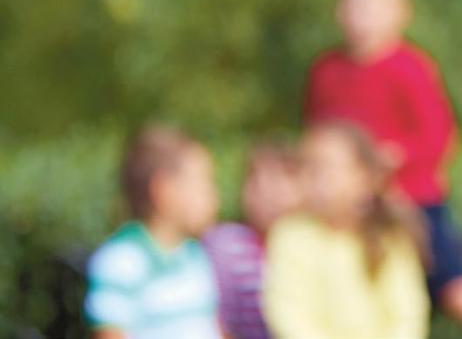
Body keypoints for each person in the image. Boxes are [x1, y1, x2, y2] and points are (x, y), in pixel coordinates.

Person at [304, 0, 462, 337]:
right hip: (348, 208)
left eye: (374, 5)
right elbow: (316, 139)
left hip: (412, 200)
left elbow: (440, 139)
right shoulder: (327, 72)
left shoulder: (410, 68)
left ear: (400, 12)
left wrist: (393, 156)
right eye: (355, 3)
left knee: (457, 289)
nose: (362, 15)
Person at [262, 121, 430, 339]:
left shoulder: (390, 238)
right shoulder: (289, 235)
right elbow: (287, 313)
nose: (318, 180)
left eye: (328, 168)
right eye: (310, 168)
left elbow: (409, 314)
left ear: (365, 178)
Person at [84, 124, 222, 339]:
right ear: (164, 190)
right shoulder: (122, 261)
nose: (214, 197)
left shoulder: (195, 255)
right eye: (204, 184)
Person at [202, 140, 303, 339]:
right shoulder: (225, 245)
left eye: (278, 182)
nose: (266, 194)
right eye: (255, 182)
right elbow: (215, 321)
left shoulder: (317, 246)